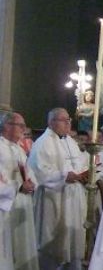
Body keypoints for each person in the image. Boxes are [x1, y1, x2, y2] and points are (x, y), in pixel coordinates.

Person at [28, 108, 89, 270]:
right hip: (53, 197)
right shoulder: (43, 143)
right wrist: (64, 176)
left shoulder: (70, 141)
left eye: (69, 120)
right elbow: (39, 171)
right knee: (52, 242)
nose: (68, 123)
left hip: (73, 196)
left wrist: (84, 174)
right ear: (51, 122)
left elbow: (80, 163)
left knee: (72, 239)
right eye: (64, 120)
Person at [0, 113, 38, 269]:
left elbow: (29, 172)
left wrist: (32, 183)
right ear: (7, 126)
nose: (24, 129)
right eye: (20, 125)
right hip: (5, 206)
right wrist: (17, 186)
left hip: (22, 203)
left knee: (21, 246)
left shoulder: (18, 149)